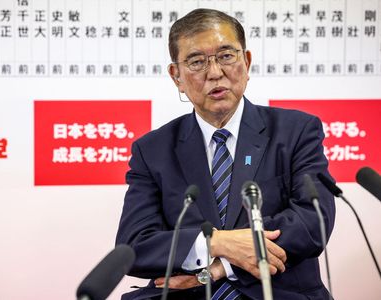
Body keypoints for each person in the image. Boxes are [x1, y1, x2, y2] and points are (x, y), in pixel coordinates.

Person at [116, 8, 335, 300]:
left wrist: (221, 266)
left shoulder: (296, 130)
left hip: (279, 291)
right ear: (176, 76)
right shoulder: (152, 150)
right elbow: (134, 247)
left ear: (246, 61)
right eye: (196, 62)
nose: (215, 73)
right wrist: (214, 242)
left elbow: (312, 221)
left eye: (226, 56)